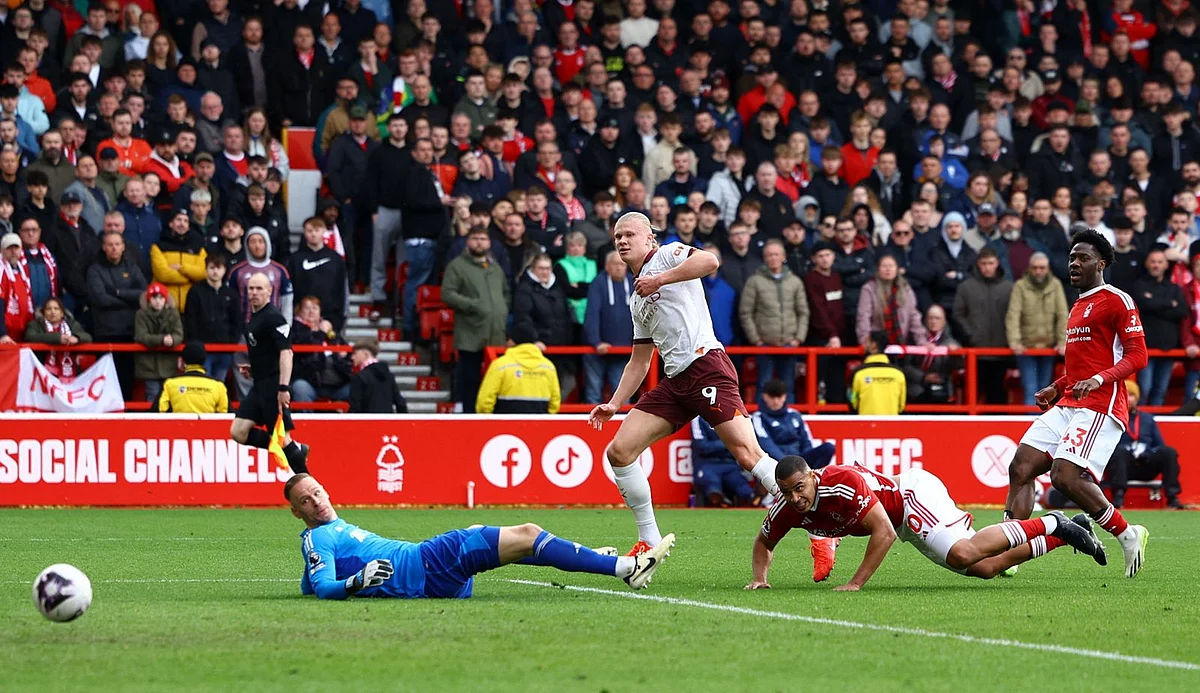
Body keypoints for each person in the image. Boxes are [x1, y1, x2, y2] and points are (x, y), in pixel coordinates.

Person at [588, 212, 833, 579]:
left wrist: (660, 279)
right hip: (675, 381)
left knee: (748, 455)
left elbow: (710, 261)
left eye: (629, 234)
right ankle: (648, 540)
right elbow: (639, 360)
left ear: (649, 238)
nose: (621, 241)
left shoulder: (668, 255)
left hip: (706, 367)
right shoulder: (637, 298)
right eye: (617, 236)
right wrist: (614, 403)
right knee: (619, 452)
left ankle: (822, 529)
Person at [1005, 229, 1151, 579]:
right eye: (1072, 257)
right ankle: (1009, 549)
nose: (1074, 263)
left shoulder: (1117, 300)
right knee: (1020, 467)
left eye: (1083, 258)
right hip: (1069, 401)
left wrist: (1099, 379)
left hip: (1100, 404)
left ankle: (1127, 534)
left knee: (1064, 476)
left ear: (1100, 264)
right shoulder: (1078, 304)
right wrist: (1056, 387)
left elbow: (1139, 355)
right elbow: (1080, 366)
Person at [286, 473, 674, 599]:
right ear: (297, 512)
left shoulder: (323, 537)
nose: (317, 502)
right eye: (306, 500)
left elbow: (311, 584)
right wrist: (355, 582)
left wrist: (330, 578)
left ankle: (588, 556)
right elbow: (324, 589)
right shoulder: (318, 538)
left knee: (500, 539)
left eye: (317, 492)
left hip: (432, 575)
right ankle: (627, 568)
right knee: (528, 532)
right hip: (428, 564)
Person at [746, 456, 1106, 590]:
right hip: (901, 520)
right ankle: (1065, 534)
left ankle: (1053, 522)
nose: (795, 498)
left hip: (910, 496)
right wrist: (760, 578)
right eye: (787, 492)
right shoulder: (787, 506)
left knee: (963, 553)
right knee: (985, 568)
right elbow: (764, 541)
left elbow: (883, 532)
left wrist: (856, 583)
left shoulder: (841, 482)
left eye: (799, 488)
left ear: (812, 476)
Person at [228, 273, 310, 474]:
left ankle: (310, 485)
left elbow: (286, 353)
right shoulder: (256, 317)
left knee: (282, 439)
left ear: (269, 291)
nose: (254, 292)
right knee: (238, 432)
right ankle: (295, 449)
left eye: (259, 288)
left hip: (273, 387)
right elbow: (268, 352)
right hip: (260, 386)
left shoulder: (274, 317)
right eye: (251, 288)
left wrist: (283, 388)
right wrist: (254, 368)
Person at [441, 226, 510, 414]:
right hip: (470, 332)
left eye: (483, 239)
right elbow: (448, 294)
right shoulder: (457, 266)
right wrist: (473, 305)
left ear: (489, 243)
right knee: (470, 378)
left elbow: (505, 292)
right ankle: (469, 414)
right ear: (468, 241)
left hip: (496, 332)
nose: (479, 243)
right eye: (475, 238)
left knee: (495, 378)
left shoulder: (495, 267)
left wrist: (503, 308)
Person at [738, 239, 809, 406]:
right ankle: (761, 419)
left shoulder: (795, 282)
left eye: (776, 254)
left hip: (789, 345)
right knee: (763, 384)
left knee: (788, 386)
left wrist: (798, 338)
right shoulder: (754, 281)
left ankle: (788, 418)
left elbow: (803, 312)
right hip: (764, 345)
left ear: (783, 256)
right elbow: (746, 312)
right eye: (769, 255)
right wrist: (756, 340)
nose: (773, 258)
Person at [1106, 380, 1183, 509]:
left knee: (1168, 452)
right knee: (1118, 453)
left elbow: (1159, 444)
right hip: (1123, 466)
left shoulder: (1147, 419)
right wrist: (1128, 450)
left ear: (1137, 398)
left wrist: (1148, 453)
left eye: (1131, 395)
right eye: (1125, 395)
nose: (1128, 399)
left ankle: (1172, 497)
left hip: (1146, 464)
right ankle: (1118, 497)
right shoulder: (1112, 418)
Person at [1006, 252, 1069, 406]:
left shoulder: (1055, 285)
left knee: (1045, 391)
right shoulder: (1020, 286)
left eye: (1042, 268)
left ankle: (1042, 420)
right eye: (1035, 268)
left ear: (1048, 268)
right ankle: (1032, 421)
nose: (1038, 271)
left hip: (1048, 348)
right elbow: (1013, 315)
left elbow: (1062, 315)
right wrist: (1015, 342)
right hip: (1027, 348)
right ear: (1029, 268)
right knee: (1030, 390)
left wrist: (1062, 342)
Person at [582, 250, 634, 404]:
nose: (619, 268)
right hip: (597, 350)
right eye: (615, 264)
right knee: (593, 390)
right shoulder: (598, 283)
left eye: (622, 264)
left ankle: (623, 421)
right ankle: (592, 420)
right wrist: (595, 342)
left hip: (624, 351)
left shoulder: (633, 283)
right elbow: (592, 314)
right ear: (607, 266)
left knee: (622, 393)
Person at [476, 323, 561, 414]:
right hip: (539, 421)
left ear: (512, 341)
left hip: (505, 421)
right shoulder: (548, 367)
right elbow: (555, 402)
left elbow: (484, 401)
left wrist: (489, 418)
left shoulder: (500, 365)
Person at [752, 379, 836, 469]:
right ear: (764, 397)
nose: (776, 401)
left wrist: (801, 465)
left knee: (828, 448)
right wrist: (787, 464)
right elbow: (766, 444)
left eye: (779, 397)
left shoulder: (795, 415)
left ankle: (811, 475)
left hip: (799, 460)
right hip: (775, 464)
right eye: (772, 397)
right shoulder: (758, 417)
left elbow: (807, 442)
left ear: (784, 397)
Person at [183, 254, 239, 383]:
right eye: (212, 267)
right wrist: (195, 343)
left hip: (225, 349)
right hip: (202, 349)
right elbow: (190, 319)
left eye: (219, 268)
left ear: (224, 270)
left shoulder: (231, 294)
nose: (215, 271)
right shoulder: (195, 291)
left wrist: (232, 342)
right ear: (206, 269)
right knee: (204, 383)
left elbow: (237, 321)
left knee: (219, 384)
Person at [133, 282, 185, 403]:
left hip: (168, 363)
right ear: (149, 299)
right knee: (153, 396)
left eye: (161, 298)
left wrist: (173, 340)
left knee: (169, 397)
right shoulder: (141, 314)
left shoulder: (173, 313)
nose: (158, 301)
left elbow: (179, 334)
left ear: (165, 299)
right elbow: (141, 336)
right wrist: (161, 340)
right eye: (154, 298)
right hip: (149, 365)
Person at [690, 417, 757, 507]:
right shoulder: (698, 419)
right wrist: (729, 444)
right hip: (707, 463)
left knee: (744, 490)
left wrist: (725, 445)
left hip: (730, 463)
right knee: (712, 487)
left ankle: (751, 500)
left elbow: (743, 444)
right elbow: (702, 446)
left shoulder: (735, 416)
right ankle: (721, 502)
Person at [23, 297, 91, 377]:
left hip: (70, 366)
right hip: (41, 368)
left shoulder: (72, 324)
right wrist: (57, 338)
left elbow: (88, 337)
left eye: (56, 308)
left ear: (62, 313)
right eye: (48, 309)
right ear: (43, 312)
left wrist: (77, 338)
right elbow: (30, 337)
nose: (53, 312)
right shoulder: (35, 324)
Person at [158, 342, 229, 413]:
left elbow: (159, 410)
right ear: (204, 360)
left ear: (183, 360)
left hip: (179, 420)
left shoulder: (170, 383)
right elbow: (226, 414)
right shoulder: (218, 386)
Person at [849, 330, 907, 415]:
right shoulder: (899, 374)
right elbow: (901, 406)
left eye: (867, 341)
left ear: (873, 345)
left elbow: (853, 402)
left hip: (865, 422)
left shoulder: (859, 374)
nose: (864, 344)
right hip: (891, 422)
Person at [348, 338, 408, 414]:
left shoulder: (360, 377)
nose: (352, 357)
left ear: (365, 354)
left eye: (355, 353)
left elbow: (355, 408)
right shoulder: (389, 376)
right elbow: (400, 402)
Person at [0, 232, 34, 340]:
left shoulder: (24, 269)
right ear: (2, 250)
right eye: (9, 248)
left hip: (23, 330)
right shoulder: (1, 272)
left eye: (16, 248)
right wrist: (2, 334)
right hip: (7, 333)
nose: (13, 251)